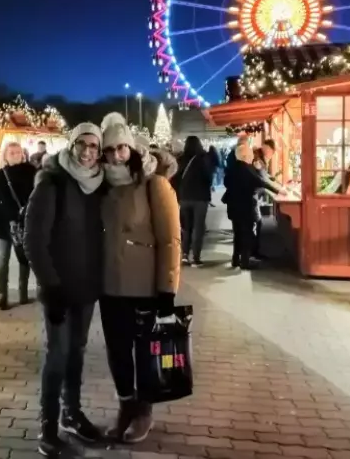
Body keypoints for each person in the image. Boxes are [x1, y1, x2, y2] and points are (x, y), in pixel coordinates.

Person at [98, 113, 181, 443]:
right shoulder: (100, 186)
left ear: (132, 148)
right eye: (110, 150)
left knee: (146, 350)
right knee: (117, 351)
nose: (116, 155)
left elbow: (171, 239)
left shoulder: (154, 183)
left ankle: (144, 409)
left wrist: (167, 289)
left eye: (122, 148)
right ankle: (125, 405)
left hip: (145, 286)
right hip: (109, 285)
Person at [24, 123, 105, 457]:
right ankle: (48, 425)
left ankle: (72, 412)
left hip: (87, 286)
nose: (88, 152)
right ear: (71, 145)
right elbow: (33, 240)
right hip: (59, 287)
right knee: (57, 355)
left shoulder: (101, 183)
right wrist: (50, 285)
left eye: (94, 146)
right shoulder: (52, 181)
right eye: (82, 144)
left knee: (77, 352)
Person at [0, 142, 36, 310]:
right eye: (12, 152)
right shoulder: (0, 174)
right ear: (5, 156)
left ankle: (23, 293)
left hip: (24, 222)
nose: (15, 154)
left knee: (23, 258)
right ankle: (3, 295)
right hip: (4, 223)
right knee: (2, 260)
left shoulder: (31, 171)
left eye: (18, 152)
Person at [224, 143, 285, 270]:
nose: (253, 155)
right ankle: (245, 261)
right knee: (246, 233)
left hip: (233, 206)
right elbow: (261, 182)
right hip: (246, 206)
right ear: (245, 155)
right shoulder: (247, 168)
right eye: (250, 154)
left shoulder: (232, 168)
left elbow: (227, 183)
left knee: (237, 233)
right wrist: (278, 191)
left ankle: (235, 259)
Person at [172, 136, 216, 266]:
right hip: (200, 198)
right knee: (198, 227)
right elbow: (208, 177)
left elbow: (175, 179)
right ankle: (196, 258)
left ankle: (185, 255)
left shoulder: (180, 159)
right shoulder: (203, 159)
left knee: (186, 227)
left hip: (184, 198)